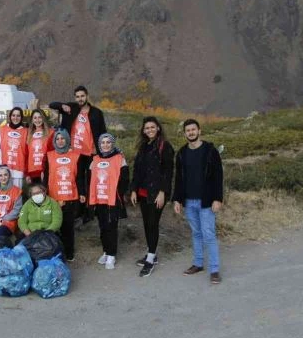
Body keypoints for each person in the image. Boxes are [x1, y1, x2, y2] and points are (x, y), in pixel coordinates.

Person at [173, 119, 224, 284]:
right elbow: (179, 179)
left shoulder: (210, 151)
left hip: (206, 201)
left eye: (193, 129)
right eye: (188, 130)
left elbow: (218, 177)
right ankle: (198, 263)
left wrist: (218, 198)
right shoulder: (181, 153)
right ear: (184, 133)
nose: (191, 132)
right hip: (189, 201)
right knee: (196, 233)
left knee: (208, 234)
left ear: (199, 131)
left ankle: (214, 270)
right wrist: (177, 200)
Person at [49, 85, 107, 222]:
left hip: (91, 153)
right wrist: (63, 106)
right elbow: (52, 105)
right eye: (77, 96)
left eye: (82, 96)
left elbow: (103, 132)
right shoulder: (72, 108)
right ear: (75, 98)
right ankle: (78, 210)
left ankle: (89, 210)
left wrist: (101, 151)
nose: (80, 99)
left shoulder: (96, 113)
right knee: (76, 180)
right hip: (74, 153)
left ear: (87, 96)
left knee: (90, 181)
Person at [130, 116, 175, 277]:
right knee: (147, 224)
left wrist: (163, 192)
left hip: (157, 193)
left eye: (152, 127)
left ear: (158, 128)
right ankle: (151, 253)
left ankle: (150, 258)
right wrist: (133, 189)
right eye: (146, 128)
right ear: (143, 130)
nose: (149, 130)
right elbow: (137, 170)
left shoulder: (165, 146)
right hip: (143, 192)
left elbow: (168, 172)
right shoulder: (143, 147)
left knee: (153, 223)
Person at [42, 129, 87, 262]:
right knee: (54, 226)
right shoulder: (49, 155)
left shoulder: (76, 156)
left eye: (62, 138)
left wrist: (82, 192)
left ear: (67, 139)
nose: (60, 141)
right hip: (53, 197)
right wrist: (44, 192)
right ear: (54, 141)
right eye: (57, 139)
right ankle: (56, 252)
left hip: (70, 196)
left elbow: (79, 177)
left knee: (68, 226)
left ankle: (69, 253)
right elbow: (45, 177)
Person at [90, 133, 129, 270]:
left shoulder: (120, 158)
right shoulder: (95, 159)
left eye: (108, 142)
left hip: (112, 199)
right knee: (102, 226)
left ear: (112, 144)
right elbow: (89, 178)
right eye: (103, 143)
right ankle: (106, 251)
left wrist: (118, 192)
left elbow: (125, 179)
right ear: (99, 145)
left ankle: (112, 254)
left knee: (112, 226)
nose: (105, 145)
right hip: (99, 198)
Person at [0, 165, 23, 238]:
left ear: (9, 176)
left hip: (8, 222)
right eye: (0, 175)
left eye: (5, 175)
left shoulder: (16, 191)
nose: (3, 178)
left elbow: (17, 210)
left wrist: (2, 221)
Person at [0, 107, 28, 188]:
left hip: (18, 170)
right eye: (13, 115)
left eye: (18, 116)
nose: (15, 118)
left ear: (21, 118)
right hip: (4, 171)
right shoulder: (2, 129)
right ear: (10, 116)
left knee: (17, 195)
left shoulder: (26, 131)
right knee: (5, 195)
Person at [25, 108, 54, 184]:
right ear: (32, 120)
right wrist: (27, 174)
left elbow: (51, 154)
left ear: (43, 118)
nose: (37, 120)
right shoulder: (28, 134)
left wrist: (45, 170)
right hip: (32, 172)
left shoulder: (51, 133)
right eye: (35, 118)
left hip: (45, 171)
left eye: (40, 117)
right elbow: (26, 155)